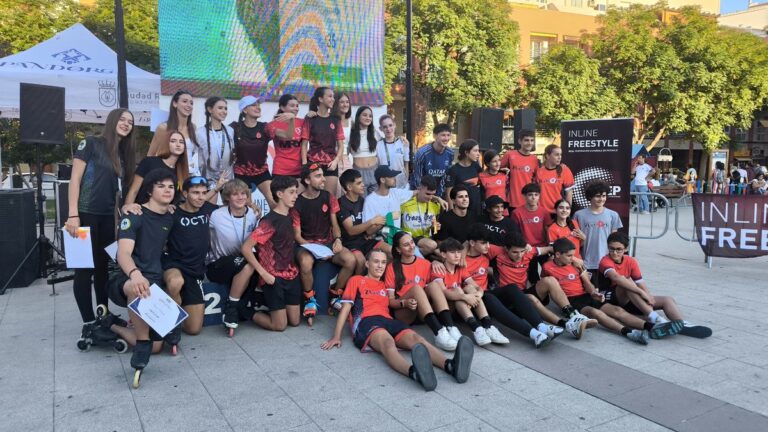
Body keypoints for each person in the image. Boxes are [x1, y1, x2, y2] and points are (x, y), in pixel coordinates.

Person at [321, 249, 475, 391]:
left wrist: (434, 261)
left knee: (417, 338)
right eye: (376, 262)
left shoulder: (383, 285)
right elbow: (346, 308)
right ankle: (414, 373)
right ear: (367, 264)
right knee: (388, 343)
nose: (380, 266)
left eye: (383, 262)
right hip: (367, 321)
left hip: (388, 320)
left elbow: (397, 297)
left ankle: (450, 365)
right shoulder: (356, 280)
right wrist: (336, 336)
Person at [66, 108, 137, 339]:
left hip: (107, 219)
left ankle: (102, 315)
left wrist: (119, 218)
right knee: (84, 271)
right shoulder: (91, 143)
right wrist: (73, 214)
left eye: (130, 122)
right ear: (113, 120)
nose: (126, 124)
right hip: (84, 215)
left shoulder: (122, 155)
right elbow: (75, 179)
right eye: (123, 119)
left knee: (102, 270)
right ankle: (88, 324)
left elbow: (117, 192)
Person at [108, 169, 175, 387]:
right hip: (127, 278)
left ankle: (112, 326)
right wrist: (135, 274)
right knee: (136, 287)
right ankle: (142, 342)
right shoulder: (134, 215)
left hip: (155, 281)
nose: (167, 190)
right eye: (161, 186)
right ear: (149, 191)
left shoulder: (170, 216)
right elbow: (123, 253)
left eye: (171, 187)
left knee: (158, 348)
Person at [542, 238, 669, 345]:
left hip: (586, 295)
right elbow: (550, 289)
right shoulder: (547, 267)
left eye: (573, 255)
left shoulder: (575, 265)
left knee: (617, 311)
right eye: (569, 256)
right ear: (558, 255)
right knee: (596, 313)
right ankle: (629, 333)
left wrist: (594, 293)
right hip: (571, 301)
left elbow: (587, 284)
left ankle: (651, 327)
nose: (573, 258)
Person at [464, 224, 563, 347]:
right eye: (484, 243)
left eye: (488, 243)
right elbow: (454, 249)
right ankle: (532, 334)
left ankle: (541, 327)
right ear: (472, 243)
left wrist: (574, 259)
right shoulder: (460, 258)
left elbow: (547, 249)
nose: (488, 246)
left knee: (512, 288)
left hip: (487, 292)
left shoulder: (488, 252)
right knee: (489, 297)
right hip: (473, 299)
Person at [487, 232, 595, 339]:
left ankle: (573, 315)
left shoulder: (529, 252)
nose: (519, 255)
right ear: (506, 249)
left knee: (550, 280)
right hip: (507, 297)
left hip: (523, 291)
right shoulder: (497, 251)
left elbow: (550, 249)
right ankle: (565, 325)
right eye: (515, 252)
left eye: (522, 251)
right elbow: (473, 245)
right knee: (531, 298)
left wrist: (574, 259)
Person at [237, 176, 302, 332]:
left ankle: (272, 308)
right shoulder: (269, 221)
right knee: (280, 326)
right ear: (279, 194)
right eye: (291, 192)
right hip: (273, 277)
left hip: (292, 274)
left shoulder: (292, 214)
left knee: (295, 321)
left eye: (296, 192)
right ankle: (245, 310)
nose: (296, 196)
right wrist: (264, 274)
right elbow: (246, 248)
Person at [293, 163, 356, 324]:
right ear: (307, 180)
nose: (323, 179)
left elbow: (335, 225)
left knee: (350, 260)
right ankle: (310, 299)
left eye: (323, 175)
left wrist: (338, 240)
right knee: (306, 262)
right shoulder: (297, 203)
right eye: (318, 176)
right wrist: (316, 250)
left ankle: (335, 294)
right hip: (306, 245)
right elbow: (298, 237)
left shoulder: (328, 196)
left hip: (328, 243)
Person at [162, 176, 221, 337]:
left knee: (193, 329)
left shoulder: (209, 210)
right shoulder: (172, 212)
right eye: (195, 193)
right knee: (175, 282)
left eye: (204, 193)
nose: (200, 197)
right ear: (185, 193)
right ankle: (170, 320)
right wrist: (129, 206)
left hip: (195, 270)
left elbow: (236, 206)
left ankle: (176, 300)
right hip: (174, 265)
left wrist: (252, 206)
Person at [598, 231, 685, 338]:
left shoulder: (631, 261)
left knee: (667, 300)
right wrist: (641, 293)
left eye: (619, 249)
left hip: (630, 297)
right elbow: (616, 278)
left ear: (626, 249)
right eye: (611, 249)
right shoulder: (605, 261)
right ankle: (655, 319)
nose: (615, 252)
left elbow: (640, 282)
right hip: (609, 298)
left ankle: (681, 324)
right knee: (626, 282)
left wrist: (648, 297)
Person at [385, 232, 462, 351]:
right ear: (398, 249)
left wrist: (435, 262)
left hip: (423, 313)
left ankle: (450, 327)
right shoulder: (392, 267)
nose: (411, 246)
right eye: (406, 245)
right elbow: (390, 301)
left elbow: (436, 288)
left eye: (412, 242)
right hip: (405, 312)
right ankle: (439, 333)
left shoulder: (425, 264)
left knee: (434, 285)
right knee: (416, 288)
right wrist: (404, 303)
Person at [428, 238, 509, 346]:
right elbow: (444, 293)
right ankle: (475, 328)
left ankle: (488, 326)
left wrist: (479, 294)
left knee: (470, 288)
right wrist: (464, 297)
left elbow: (476, 286)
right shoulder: (439, 270)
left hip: (461, 308)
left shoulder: (461, 268)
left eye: (459, 252)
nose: (457, 256)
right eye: (452, 252)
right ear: (443, 254)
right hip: (446, 310)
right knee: (458, 291)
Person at [207, 179, 261, 331]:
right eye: (235, 194)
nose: (240, 197)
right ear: (227, 198)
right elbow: (197, 206)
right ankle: (232, 308)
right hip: (218, 264)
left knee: (252, 262)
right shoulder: (216, 215)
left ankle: (238, 306)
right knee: (248, 263)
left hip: (242, 262)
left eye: (243, 193)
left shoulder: (253, 213)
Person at [231, 95, 295, 210]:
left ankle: (274, 226)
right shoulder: (235, 127)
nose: (258, 107)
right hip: (241, 174)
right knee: (247, 206)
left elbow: (288, 135)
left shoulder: (265, 127)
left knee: (275, 203)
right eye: (254, 105)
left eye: (258, 105)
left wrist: (291, 120)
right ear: (245, 110)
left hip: (262, 172)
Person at [338, 169, 390, 275]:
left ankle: (381, 282)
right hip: (349, 243)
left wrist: (380, 222)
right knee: (361, 262)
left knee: (391, 251)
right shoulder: (341, 203)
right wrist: (371, 222)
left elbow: (370, 226)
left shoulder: (364, 200)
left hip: (365, 240)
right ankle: (358, 287)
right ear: (349, 187)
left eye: (362, 182)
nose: (363, 185)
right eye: (359, 183)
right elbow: (351, 231)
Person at [122, 130, 189, 213]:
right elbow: (133, 190)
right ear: (166, 143)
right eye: (173, 141)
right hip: (140, 212)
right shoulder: (149, 162)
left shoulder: (181, 172)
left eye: (181, 142)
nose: (178, 145)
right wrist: (127, 209)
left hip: (162, 217)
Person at [573, 181, 623, 284]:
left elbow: (614, 241)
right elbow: (575, 241)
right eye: (597, 196)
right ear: (590, 197)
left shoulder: (613, 215)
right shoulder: (579, 215)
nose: (601, 199)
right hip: (585, 262)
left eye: (604, 196)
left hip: (607, 262)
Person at [302, 87, 345, 196]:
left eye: (333, 97)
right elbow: (304, 144)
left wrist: (335, 161)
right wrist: (304, 165)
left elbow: (341, 146)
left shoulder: (336, 120)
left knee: (330, 200)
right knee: (314, 200)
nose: (333, 99)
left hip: (331, 165)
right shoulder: (310, 118)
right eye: (330, 96)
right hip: (313, 164)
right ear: (320, 99)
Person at [147, 90, 200, 176]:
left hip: (188, 175)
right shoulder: (163, 128)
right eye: (184, 101)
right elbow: (150, 155)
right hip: (168, 175)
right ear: (175, 104)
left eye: (191, 103)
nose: (189, 105)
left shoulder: (193, 127)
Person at [512, 183, 552, 284]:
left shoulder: (544, 212)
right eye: (530, 195)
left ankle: (546, 296)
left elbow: (548, 230)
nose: (533, 197)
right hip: (527, 249)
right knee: (533, 277)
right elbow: (515, 232)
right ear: (524, 196)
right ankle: (536, 297)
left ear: (539, 196)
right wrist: (524, 244)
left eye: (536, 194)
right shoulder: (517, 213)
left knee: (549, 274)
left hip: (543, 248)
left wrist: (550, 246)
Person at [197, 97, 235, 187]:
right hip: (209, 181)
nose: (224, 111)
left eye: (225, 108)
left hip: (227, 179)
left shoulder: (230, 131)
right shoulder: (199, 133)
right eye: (220, 108)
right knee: (210, 202)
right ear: (210, 109)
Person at [400, 175, 441, 256]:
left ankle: (410, 254)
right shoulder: (405, 203)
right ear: (420, 188)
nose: (430, 197)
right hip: (407, 237)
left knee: (436, 248)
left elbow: (435, 231)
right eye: (428, 194)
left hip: (424, 240)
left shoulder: (436, 205)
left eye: (433, 194)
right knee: (432, 246)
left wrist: (435, 227)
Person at [411, 123, 454, 197]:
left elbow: (446, 176)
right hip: (421, 193)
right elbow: (418, 178)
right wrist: (428, 195)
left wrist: (439, 195)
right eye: (443, 135)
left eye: (448, 135)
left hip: (439, 193)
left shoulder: (450, 153)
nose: (446, 138)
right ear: (435, 136)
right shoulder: (422, 153)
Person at [500, 129, 539, 210]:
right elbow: (496, 168)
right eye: (526, 140)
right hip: (512, 201)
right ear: (519, 141)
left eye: (532, 140)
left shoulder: (535, 159)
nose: (529, 143)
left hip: (529, 203)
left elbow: (536, 181)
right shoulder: (510, 155)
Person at [269, 94, 305, 180]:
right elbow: (288, 136)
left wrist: (313, 114)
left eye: (297, 106)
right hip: (281, 171)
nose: (296, 108)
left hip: (300, 170)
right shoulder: (273, 124)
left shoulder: (303, 122)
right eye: (292, 106)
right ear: (282, 107)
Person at [347, 106, 381, 194]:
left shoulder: (375, 132)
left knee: (374, 203)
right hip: (358, 173)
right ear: (358, 117)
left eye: (370, 116)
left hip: (374, 171)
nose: (368, 118)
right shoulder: (351, 134)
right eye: (365, 115)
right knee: (361, 203)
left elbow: (388, 141)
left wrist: (401, 139)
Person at [444, 139, 482, 215]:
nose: (478, 154)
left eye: (478, 151)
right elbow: (448, 194)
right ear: (466, 153)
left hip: (477, 210)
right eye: (475, 151)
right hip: (461, 212)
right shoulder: (453, 170)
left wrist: (501, 170)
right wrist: (452, 214)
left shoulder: (476, 166)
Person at [535, 144, 574, 213]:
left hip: (558, 211)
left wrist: (567, 210)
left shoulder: (564, 170)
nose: (559, 157)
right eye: (556, 155)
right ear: (547, 156)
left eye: (560, 155)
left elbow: (569, 193)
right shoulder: (539, 171)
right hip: (541, 211)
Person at [376, 114, 410, 189]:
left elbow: (406, 164)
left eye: (390, 125)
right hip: (386, 183)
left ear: (394, 125)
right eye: (385, 127)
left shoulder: (403, 142)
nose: (388, 129)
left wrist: (406, 181)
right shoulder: (378, 145)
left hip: (401, 182)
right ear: (380, 128)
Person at [332, 91, 353, 174]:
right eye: (342, 102)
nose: (345, 105)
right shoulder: (329, 120)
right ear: (336, 103)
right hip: (331, 158)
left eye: (347, 102)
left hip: (345, 159)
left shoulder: (351, 122)